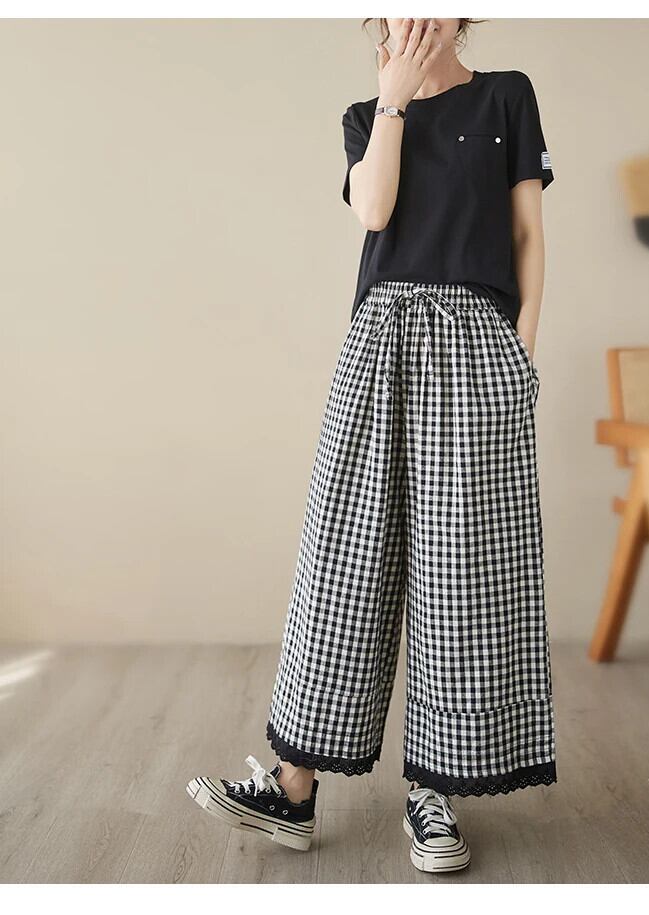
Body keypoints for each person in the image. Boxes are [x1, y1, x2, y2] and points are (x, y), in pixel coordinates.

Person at [187, 16, 556, 875]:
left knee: (459, 573)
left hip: (476, 345)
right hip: (379, 342)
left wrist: (521, 360)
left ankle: (435, 792)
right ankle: (294, 787)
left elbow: (529, 236)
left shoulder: (507, 97)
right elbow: (374, 209)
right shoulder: (366, 115)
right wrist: (392, 100)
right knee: (343, 565)